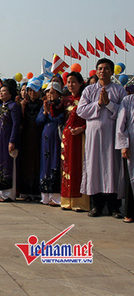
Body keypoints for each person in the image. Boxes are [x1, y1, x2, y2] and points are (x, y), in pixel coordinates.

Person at [77, 58, 126, 218]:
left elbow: (125, 112)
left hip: (112, 135)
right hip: (94, 138)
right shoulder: (89, 90)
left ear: (112, 72)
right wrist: (98, 103)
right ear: (96, 71)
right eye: (100, 68)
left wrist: (109, 103)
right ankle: (96, 205)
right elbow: (81, 111)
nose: (103, 71)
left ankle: (114, 207)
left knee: (113, 168)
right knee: (94, 167)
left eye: (106, 68)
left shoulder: (119, 90)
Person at [59, 72, 89, 212]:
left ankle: (80, 202)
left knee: (78, 167)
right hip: (67, 137)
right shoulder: (66, 100)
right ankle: (66, 200)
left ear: (81, 83)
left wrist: (83, 129)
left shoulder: (85, 99)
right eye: (68, 82)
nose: (70, 85)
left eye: (73, 82)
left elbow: (91, 119)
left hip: (79, 138)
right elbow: (57, 115)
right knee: (66, 168)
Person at [36, 82, 64, 206]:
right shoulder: (44, 105)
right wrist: (46, 112)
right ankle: (45, 195)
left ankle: (56, 196)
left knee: (54, 163)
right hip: (45, 138)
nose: (49, 94)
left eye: (52, 92)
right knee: (45, 164)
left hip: (56, 137)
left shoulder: (60, 105)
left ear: (58, 93)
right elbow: (38, 121)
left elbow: (60, 119)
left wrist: (50, 112)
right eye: (47, 92)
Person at [0, 80, 21, 202]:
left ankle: (8, 194)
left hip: (7, 139)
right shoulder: (1, 106)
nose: (1, 93)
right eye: (0, 91)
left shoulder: (14, 107)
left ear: (10, 93)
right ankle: (0, 192)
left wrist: (12, 141)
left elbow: (16, 125)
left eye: (4, 91)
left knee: (8, 164)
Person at [17, 81, 43, 202]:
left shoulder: (42, 104)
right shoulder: (24, 105)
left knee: (37, 163)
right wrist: (21, 107)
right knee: (26, 164)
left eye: (35, 90)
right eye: (30, 90)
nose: (32, 93)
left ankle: (37, 191)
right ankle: (26, 191)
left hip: (38, 137)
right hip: (26, 137)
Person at [116, 93, 134, 223]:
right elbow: (121, 123)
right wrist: (124, 145)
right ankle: (130, 212)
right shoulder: (128, 100)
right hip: (131, 146)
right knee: (130, 178)